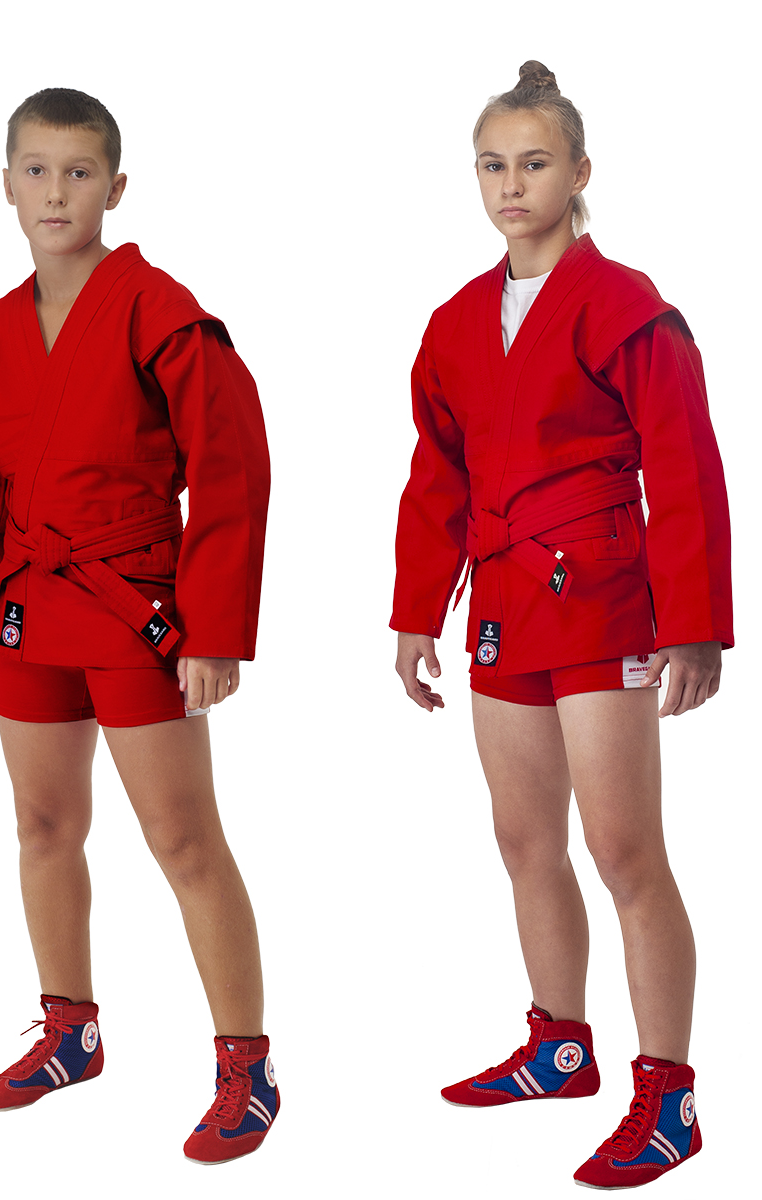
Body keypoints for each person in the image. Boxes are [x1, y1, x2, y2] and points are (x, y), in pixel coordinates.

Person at [391, 62, 731, 1190]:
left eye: (534, 163)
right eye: (492, 165)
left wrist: (695, 624)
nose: (511, 185)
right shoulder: (454, 322)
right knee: (523, 838)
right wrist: (416, 610)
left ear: (580, 172)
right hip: (500, 602)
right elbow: (436, 475)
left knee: (626, 851)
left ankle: (669, 1099)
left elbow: (683, 465)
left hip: (600, 595)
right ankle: (558, 1048)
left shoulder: (624, 305)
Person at [0, 88, 278, 1166]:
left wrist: (215, 630)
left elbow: (231, 465)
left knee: (183, 838)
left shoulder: (159, 309)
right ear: (6, 185)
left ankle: (248, 1070)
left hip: (137, 609)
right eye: (36, 171)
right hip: (30, 610)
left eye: (79, 172)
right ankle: (69, 1033)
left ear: (115, 188)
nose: (56, 192)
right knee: (43, 827)